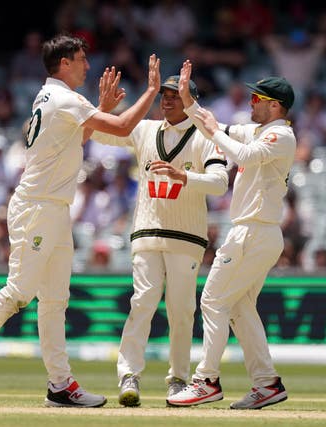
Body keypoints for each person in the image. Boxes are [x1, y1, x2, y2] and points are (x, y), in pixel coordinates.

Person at [0, 34, 161, 408]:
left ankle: (60, 385)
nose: (87, 66)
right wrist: (152, 89)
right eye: (81, 59)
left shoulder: (51, 98)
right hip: (38, 207)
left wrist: (101, 107)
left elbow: (78, 140)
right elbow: (123, 127)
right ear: (64, 63)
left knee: (55, 300)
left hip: (55, 208)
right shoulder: (63, 99)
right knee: (19, 291)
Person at [87, 74, 228, 406]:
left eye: (174, 95)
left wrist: (186, 176)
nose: (166, 100)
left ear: (191, 101)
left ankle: (178, 379)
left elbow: (220, 183)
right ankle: (129, 374)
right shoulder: (146, 130)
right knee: (143, 303)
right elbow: (96, 134)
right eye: (163, 94)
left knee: (181, 311)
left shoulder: (207, 135)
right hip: (147, 233)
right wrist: (101, 110)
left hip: (187, 236)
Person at [167, 61, 294, 410]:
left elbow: (244, 156)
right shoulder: (259, 130)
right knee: (238, 307)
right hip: (255, 232)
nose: (251, 102)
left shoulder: (279, 135)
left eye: (258, 98)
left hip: (253, 231)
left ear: (275, 106)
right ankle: (267, 383)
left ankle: (206, 380)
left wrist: (220, 135)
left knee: (212, 301)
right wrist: (188, 102)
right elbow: (214, 127)